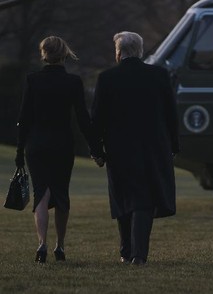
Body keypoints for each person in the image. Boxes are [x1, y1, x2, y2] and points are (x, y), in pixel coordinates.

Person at [91, 31, 180, 265]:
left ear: (118, 53)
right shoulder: (159, 75)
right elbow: (171, 114)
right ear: (140, 51)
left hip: (118, 148)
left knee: (123, 198)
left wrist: (97, 150)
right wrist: (174, 144)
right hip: (153, 147)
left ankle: (125, 250)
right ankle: (138, 254)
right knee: (144, 200)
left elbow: (97, 119)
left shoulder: (107, 78)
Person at [15, 36, 103, 264]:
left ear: (44, 54)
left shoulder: (33, 80)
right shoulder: (73, 82)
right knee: (61, 193)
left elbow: (24, 119)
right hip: (62, 144)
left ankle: (42, 243)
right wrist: (96, 148)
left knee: (41, 193)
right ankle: (60, 245)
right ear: (64, 54)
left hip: (36, 144)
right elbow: (83, 118)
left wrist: (18, 151)